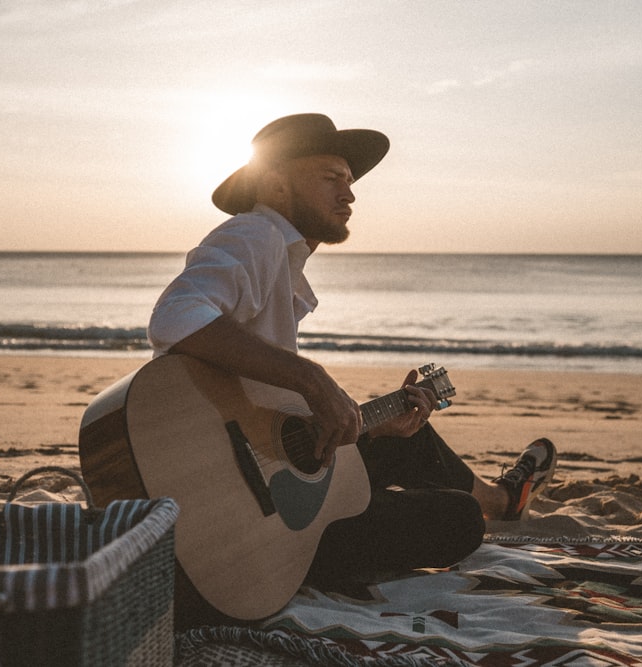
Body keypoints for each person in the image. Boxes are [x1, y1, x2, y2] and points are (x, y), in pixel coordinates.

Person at [148, 113, 556, 625]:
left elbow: (262, 420)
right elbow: (175, 317)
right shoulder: (255, 235)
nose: (350, 194)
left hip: (256, 476)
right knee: (456, 520)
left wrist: (365, 422)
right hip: (242, 523)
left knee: (406, 436)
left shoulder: (279, 258)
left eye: (350, 180)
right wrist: (312, 380)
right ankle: (491, 504)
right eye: (330, 178)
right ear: (276, 185)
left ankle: (503, 500)